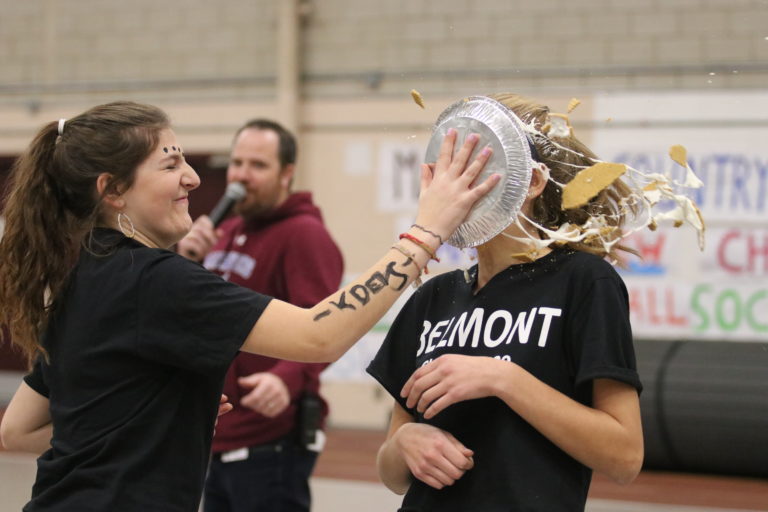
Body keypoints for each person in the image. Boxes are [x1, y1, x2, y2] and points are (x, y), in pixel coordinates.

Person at [0, 100, 498, 512]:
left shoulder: (82, 277)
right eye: (171, 165)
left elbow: (17, 430)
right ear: (112, 190)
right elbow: (318, 334)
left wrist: (155, 418)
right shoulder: (152, 280)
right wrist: (424, 233)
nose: (194, 178)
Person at [368, 93, 644, 512]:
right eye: (448, 169)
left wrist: (504, 379)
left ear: (533, 182)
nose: (453, 184)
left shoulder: (584, 281)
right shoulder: (432, 297)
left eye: (475, 166)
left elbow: (625, 456)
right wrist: (404, 443)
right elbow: (391, 474)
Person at [176, 119, 343, 512]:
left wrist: (284, 378)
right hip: (216, 435)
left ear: (287, 173)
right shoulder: (225, 231)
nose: (241, 176)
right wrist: (185, 263)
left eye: (257, 165)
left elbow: (324, 323)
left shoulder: (304, 235)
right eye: (236, 163)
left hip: (270, 441)